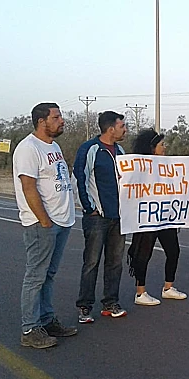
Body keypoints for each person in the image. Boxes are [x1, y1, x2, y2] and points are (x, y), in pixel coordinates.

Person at [13, 102, 77, 349]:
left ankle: (47, 320)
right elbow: (28, 187)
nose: (62, 121)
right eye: (56, 117)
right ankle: (29, 329)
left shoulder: (54, 146)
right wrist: (44, 221)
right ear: (42, 121)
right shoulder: (28, 148)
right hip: (42, 224)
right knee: (36, 277)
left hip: (61, 220)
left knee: (48, 275)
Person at [73, 111, 129, 322]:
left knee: (115, 262)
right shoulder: (90, 149)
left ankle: (110, 302)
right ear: (110, 129)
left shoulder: (121, 151)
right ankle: (85, 306)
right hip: (97, 217)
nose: (125, 130)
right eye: (122, 126)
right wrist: (89, 207)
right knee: (91, 262)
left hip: (119, 217)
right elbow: (80, 178)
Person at [126, 129, 188, 305]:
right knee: (143, 253)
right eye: (162, 144)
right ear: (152, 148)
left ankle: (168, 287)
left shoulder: (167, 166)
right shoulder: (140, 166)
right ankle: (140, 292)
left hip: (165, 215)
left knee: (173, 250)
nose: (165, 147)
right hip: (147, 216)